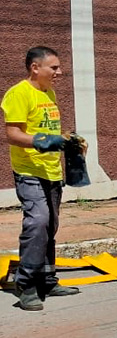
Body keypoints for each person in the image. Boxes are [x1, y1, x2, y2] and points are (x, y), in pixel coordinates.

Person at [1, 46, 80, 311]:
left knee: (50, 227)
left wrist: (67, 141)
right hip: (29, 171)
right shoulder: (18, 93)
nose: (60, 72)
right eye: (54, 67)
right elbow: (12, 134)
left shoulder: (49, 93)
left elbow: (48, 129)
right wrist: (42, 141)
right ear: (36, 68)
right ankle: (26, 284)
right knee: (38, 223)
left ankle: (47, 279)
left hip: (52, 171)